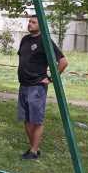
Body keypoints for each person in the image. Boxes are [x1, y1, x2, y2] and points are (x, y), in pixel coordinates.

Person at [17, 14, 68, 161]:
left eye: (33, 22)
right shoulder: (25, 39)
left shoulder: (45, 41)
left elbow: (63, 62)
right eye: (29, 21)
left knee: (36, 120)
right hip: (23, 85)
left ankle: (33, 152)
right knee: (26, 119)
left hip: (37, 86)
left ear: (41, 26)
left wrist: (51, 78)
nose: (30, 24)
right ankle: (35, 148)